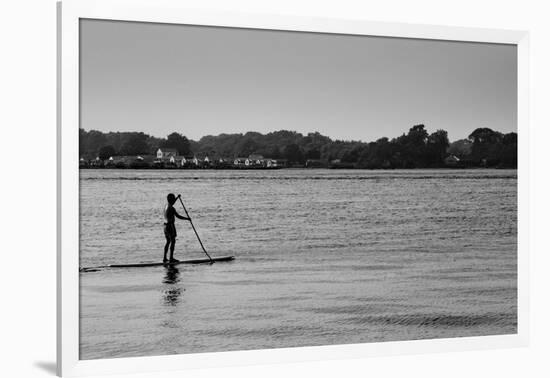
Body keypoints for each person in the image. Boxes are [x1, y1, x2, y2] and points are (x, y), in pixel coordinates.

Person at [163, 193, 190, 263]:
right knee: (173, 241)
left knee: (168, 241)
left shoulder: (166, 206)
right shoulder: (171, 208)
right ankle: (171, 258)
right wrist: (187, 219)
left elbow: (172, 202)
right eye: (173, 199)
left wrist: (177, 198)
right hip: (170, 226)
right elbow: (178, 216)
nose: (174, 201)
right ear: (171, 200)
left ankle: (165, 258)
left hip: (165, 226)